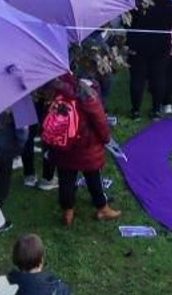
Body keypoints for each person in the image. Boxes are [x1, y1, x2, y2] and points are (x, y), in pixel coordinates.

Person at [43, 73, 120, 226]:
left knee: (66, 178)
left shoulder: (58, 91)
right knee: (93, 177)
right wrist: (106, 139)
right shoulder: (88, 95)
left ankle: (68, 211)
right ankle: (102, 208)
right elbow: (100, 121)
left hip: (63, 145)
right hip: (87, 146)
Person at [127, 0, 172, 118]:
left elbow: (127, 21)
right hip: (160, 44)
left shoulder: (136, 1)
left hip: (138, 43)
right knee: (158, 76)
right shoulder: (166, 1)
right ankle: (156, 109)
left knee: (137, 77)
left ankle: (135, 110)